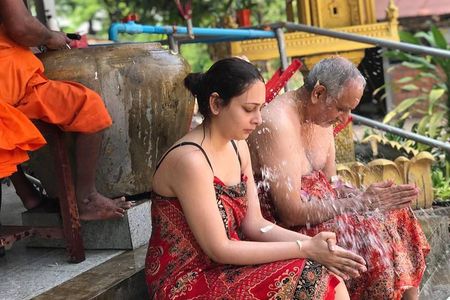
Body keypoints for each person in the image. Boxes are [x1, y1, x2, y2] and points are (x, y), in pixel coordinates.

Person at [145, 57, 368, 299]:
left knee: (328, 276)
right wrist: (305, 248)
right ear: (216, 103)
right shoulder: (190, 161)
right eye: (249, 109)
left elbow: (254, 225)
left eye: (261, 109)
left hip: (224, 268)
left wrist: (315, 244)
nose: (259, 119)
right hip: (188, 281)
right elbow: (220, 248)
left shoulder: (238, 147)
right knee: (313, 279)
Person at [248, 56, 430, 300]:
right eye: (342, 108)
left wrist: (366, 195)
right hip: (288, 227)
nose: (345, 119)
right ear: (318, 93)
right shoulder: (278, 122)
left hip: (323, 211)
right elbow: (289, 213)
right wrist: (358, 204)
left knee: (397, 213)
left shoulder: (322, 117)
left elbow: (332, 184)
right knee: (373, 232)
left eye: (350, 110)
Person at [0, 0, 132, 220]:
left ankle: (29, 197)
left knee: (7, 132)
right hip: (9, 82)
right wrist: (51, 37)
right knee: (87, 106)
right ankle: (86, 199)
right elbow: (20, 27)